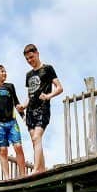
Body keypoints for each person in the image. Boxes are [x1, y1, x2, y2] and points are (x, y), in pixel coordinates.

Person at [22, 43, 62, 174]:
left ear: (37, 53)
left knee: (37, 138)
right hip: (30, 111)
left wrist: (48, 96)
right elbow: (30, 94)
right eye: (27, 59)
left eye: (31, 57)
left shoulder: (48, 69)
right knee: (35, 140)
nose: (30, 61)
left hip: (43, 108)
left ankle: (35, 169)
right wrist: (24, 105)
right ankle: (42, 169)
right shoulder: (28, 75)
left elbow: (60, 88)